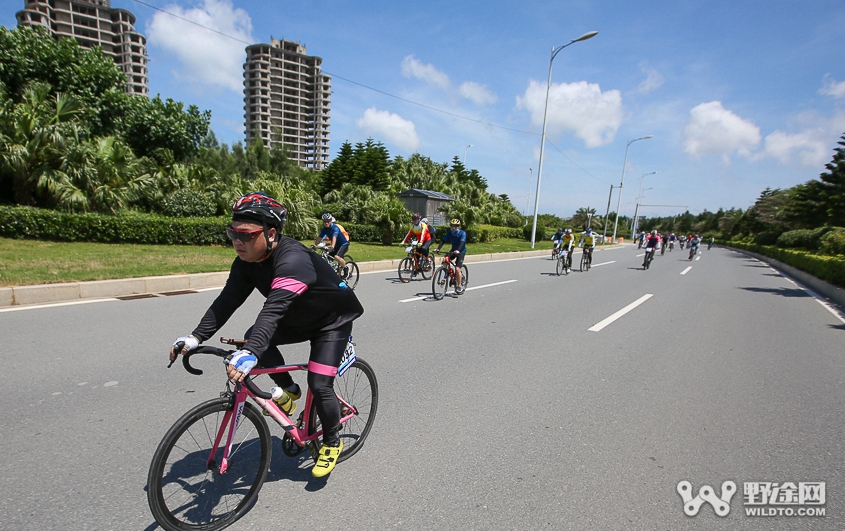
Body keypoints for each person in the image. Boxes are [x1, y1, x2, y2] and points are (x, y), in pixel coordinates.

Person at [170, 192, 364, 478]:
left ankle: (331, 443)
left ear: (271, 233)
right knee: (253, 337)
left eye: (246, 235)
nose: (238, 241)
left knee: (320, 383)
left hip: (330, 322)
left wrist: (252, 353)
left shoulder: (293, 260)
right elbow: (227, 300)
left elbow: (272, 311)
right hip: (298, 317)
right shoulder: (246, 262)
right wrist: (196, 337)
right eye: (232, 233)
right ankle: (289, 390)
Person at [434, 219, 467, 293]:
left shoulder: (462, 233)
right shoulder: (450, 233)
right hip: (453, 250)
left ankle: (458, 285)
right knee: (445, 261)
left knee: (457, 269)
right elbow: (443, 240)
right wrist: (438, 248)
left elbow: (462, 243)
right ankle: (446, 276)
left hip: (461, 251)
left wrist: (458, 250)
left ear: (458, 227)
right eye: (452, 226)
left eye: (455, 226)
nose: (453, 228)